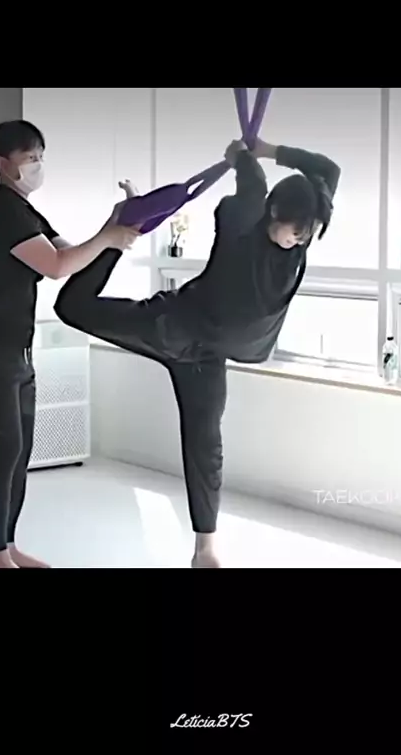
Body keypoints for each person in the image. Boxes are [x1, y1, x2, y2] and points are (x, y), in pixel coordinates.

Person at [54, 138, 341, 568]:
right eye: (294, 231)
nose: (299, 241)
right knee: (71, 307)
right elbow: (252, 186)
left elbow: (327, 169)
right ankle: (115, 238)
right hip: (173, 328)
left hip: (210, 354)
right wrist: (242, 160)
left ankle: (205, 549)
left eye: (307, 234)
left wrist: (265, 149)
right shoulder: (241, 221)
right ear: (273, 212)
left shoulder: (307, 216)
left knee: (205, 442)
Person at [0, 120, 139, 568]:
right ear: (3, 164)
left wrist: (117, 225)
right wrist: (108, 236)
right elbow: (57, 266)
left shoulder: (27, 213)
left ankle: (8, 547)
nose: (37, 165)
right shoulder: (2, 213)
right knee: (4, 452)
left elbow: (75, 256)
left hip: (18, 352)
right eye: (29, 158)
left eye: (40, 157)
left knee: (20, 453)